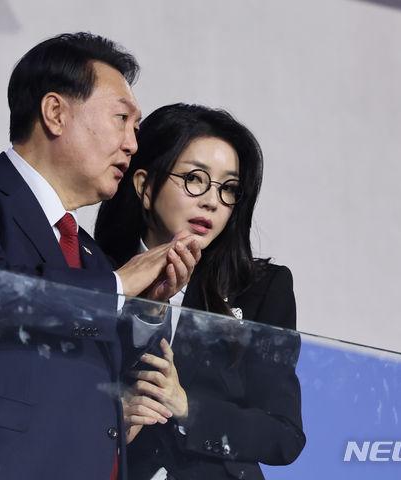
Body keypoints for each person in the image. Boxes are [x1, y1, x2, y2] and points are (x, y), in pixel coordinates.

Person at [0, 34, 201, 480]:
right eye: (122, 119)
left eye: (136, 128)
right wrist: (119, 285)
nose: (132, 144)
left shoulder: (90, 257)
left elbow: (99, 375)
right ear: (55, 113)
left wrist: (148, 307)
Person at [95, 103, 306, 479]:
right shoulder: (98, 274)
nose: (211, 201)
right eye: (195, 178)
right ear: (145, 186)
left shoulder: (260, 289)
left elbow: (283, 435)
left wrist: (187, 408)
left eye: (229, 189)